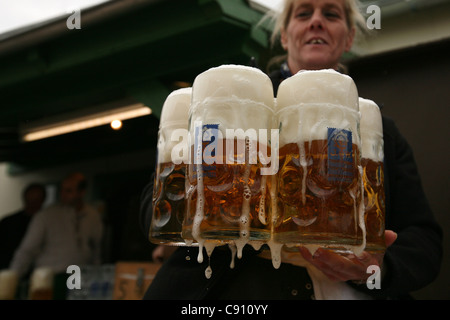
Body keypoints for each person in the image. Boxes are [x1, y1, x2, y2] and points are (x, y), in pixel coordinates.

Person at [140, 0, 442, 299]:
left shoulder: (379, 128)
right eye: (304, 13)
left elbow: (425, 240)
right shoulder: (234, 100)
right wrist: (201, 217)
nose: (316, 21)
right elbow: (153, 206)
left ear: (349, 37)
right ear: (284, 36)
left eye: (331, 14)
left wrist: (379, 270)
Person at [9, 172, 104, 298]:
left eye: (69, 191)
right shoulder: (46, 215)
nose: (63, 194)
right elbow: (27, 250)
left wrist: (97, 277)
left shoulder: (92, 215)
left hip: (79, 277)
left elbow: (96, 249)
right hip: (50, 277)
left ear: (82, 192)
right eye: (62, 190)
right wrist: (12, 279)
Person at [0, 183, 47, 270]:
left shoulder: (47, 222)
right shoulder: (8, 222)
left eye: (36, 200)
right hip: (8, 268)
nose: (33, 204)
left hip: (38, 270)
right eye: (31, 200)